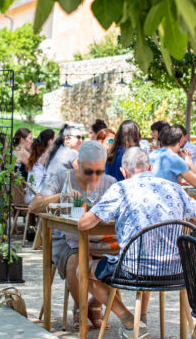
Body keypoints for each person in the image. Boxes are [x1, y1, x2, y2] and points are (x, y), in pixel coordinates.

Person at [79, 147, 196, 338]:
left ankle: (128, 320)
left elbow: (84, 224)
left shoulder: (120, 188)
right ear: (150, 167)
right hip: (177, 270)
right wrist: (181, 218)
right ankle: (139, 322)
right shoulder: (174, 187)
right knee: (141, 257)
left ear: (124, 172)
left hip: (135, 270)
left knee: (82, 269)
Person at [30, 140, 116, 331]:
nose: (94, 176)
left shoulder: (110, 183)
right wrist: (60, 196)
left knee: (123, 260)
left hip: (100, 240)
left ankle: (94, 303)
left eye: (99, 171)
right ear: (78, 163)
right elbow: (34, 206)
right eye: (89, 171)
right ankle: (80, 306)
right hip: (66, 239)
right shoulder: (62, 179)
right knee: (77, 259)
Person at [40, 124, 84, 189]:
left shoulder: (55, 150)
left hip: (42, 192)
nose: (81, 140)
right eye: (78, 137)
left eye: (82, 138)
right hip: (56, 196)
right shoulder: (72, 153)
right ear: (67, 139)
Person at [25, 129, 54, 203]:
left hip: (29, 195)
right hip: (36, 197)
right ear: (51, 141)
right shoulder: (45, 156)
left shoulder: (37, 155)